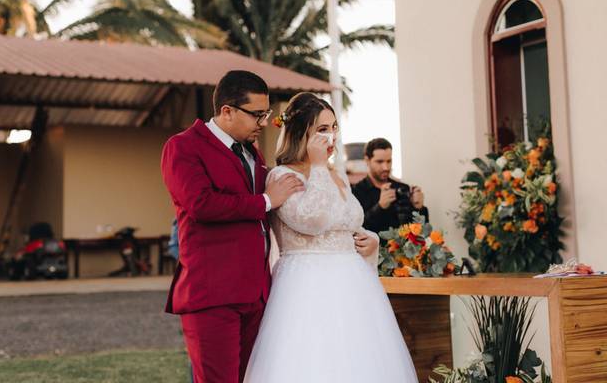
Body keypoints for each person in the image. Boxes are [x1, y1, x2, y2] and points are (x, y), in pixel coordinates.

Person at [243, 93, 417, 382]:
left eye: (334, 127)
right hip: (306, 286)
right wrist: (318, 168)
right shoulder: (282, 176)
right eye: (322, 129)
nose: (331, 136)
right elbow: (313, 221)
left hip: (353, 286)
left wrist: (370, 240)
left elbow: (347, 222)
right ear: (301, 132)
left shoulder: (338, 175)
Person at [160, 70, 305, 383]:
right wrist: (266, 200)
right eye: (256, 114)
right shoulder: (183, 147)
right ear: (227, 111)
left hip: (257, 293)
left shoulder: (252, 151)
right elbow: (201, 204)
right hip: (213, 294)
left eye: (266, 114)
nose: (263, 122)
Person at [352, 138, 429, 235]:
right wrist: (380, 207)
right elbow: (356, 229)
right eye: (380, 162)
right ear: (367, 160)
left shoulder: (402, 188)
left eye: (389, 161)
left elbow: (422, 231)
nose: (386, 167)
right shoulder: (356, 192)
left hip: (403, 244)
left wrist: (419, 208)